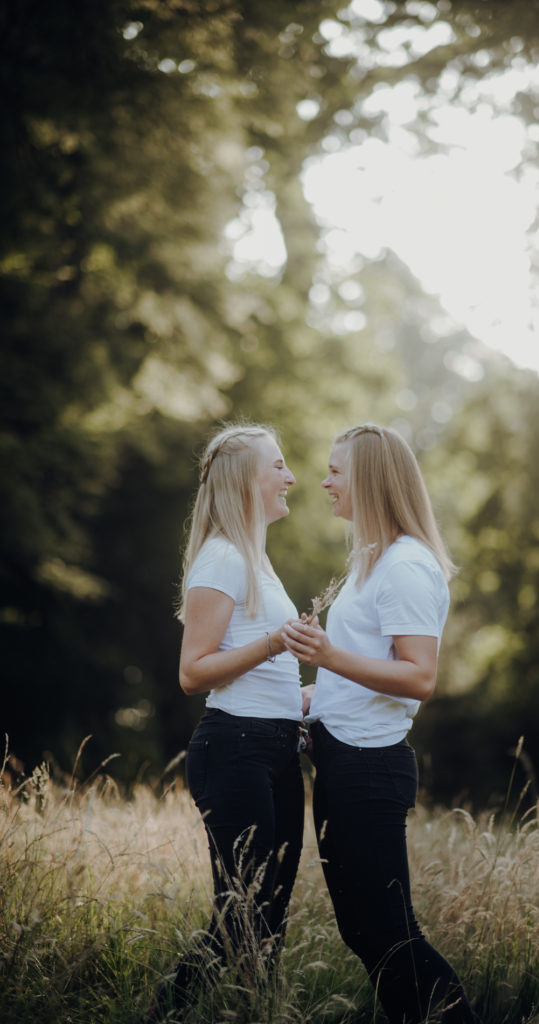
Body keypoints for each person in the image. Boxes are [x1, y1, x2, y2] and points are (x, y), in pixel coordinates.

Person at [283, 424, 475, 1024]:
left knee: (389, 936)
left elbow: (418, 678)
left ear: (368, 480)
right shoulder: (375, 562)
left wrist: (326, 656)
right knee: (366, 933)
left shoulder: (405, 568)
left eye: (336, 471)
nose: (324, 482)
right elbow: (370, 670)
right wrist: (319, 694)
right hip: (346, 762)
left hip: (370, 770)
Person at [144, 423, 305, 1021]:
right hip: (235, 749)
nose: (291, 478)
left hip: (274, 745)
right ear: (246, 482)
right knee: (241, 913)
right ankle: (165, 1012)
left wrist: (306, 699)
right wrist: (274, 644)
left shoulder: (258, 561)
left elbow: (264, 672)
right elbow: (194, 671)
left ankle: (250, 1011)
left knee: (268, 915)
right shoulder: (223, 557)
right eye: (280, 466)